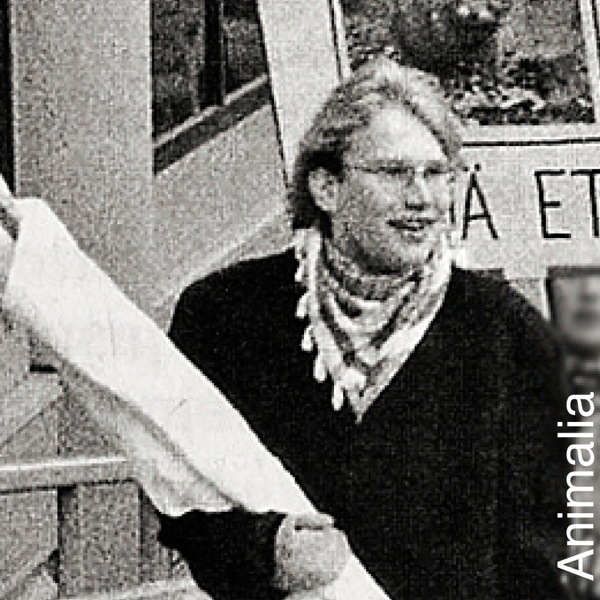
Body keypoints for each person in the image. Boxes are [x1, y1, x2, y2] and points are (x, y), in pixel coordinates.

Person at [158, 57, 568, 600]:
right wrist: (267, 552)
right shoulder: (225, 316)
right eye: (393, 173)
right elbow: (184, 499)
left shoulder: (505, 331)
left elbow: (563, 540)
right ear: (326, 187)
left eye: (436, 173)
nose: (421, 198)